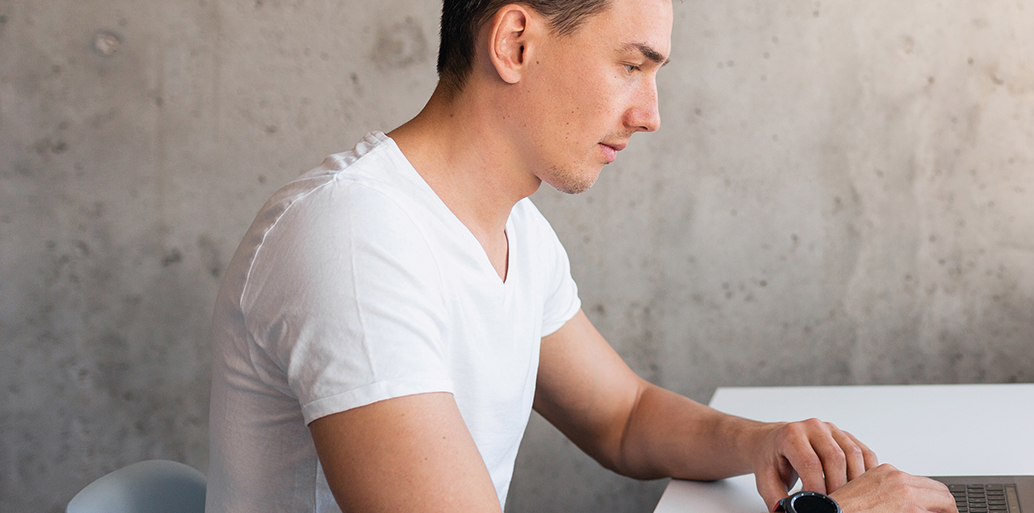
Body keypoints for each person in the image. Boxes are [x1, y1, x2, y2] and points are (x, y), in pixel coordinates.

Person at [205, 1, 960, 512]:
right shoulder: (354, 238)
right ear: (515, 43)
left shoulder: (513, 230)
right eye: (632, 66)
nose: (651, 115)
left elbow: (623, 417)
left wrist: (763, 442)